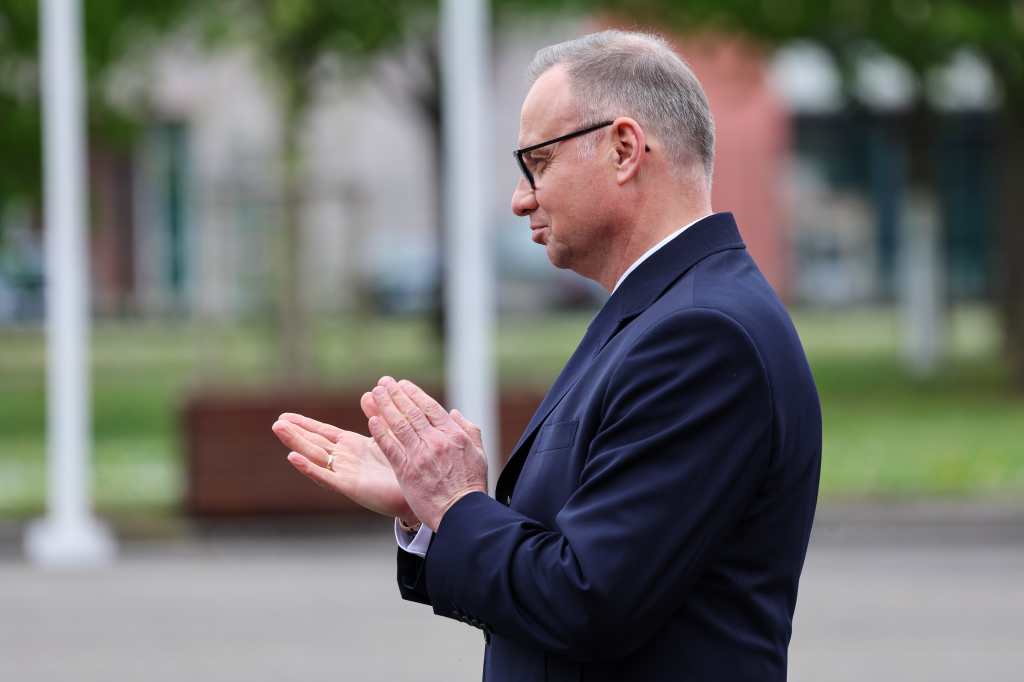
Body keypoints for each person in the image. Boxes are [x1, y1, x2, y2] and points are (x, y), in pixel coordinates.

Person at [271, 29, 821, 682]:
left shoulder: (701, 334)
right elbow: (574, 570)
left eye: (538, 161)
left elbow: (587, 602)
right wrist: (433, 509)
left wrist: (458, 506)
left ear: (623, 149)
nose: (520, 197)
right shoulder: (668, 312)